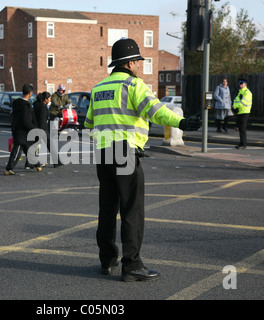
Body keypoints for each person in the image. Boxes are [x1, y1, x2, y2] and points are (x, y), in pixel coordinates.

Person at [84, 38, 201, 282]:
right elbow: (155, 110)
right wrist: (182, 122)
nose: (140, 64)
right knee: (131, 210)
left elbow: (88, 124)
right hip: (125, 152)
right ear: (128, 63)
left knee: (107, 210)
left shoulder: (98, 88)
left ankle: (107, 260)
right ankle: (132, 265)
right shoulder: (133, 85)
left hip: (103, 153)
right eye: (138, 60)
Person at [4, 84, 42, 175]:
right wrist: (33, 129)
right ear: (30, 93)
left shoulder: (16, 103)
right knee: (17, 151)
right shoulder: (26, 106)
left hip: (17, 129)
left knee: (28, 149)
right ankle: (8, 169)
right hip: (23, 132)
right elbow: (26, 121)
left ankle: (37, 165)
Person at [233, 79, 252, 149]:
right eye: (240, 84)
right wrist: (235, 106)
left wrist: (235, 106)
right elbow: (235, 101)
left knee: (242, 129)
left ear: (245, 84)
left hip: (245, 112)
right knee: (240, 128)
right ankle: (241, 143)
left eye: (242, 84)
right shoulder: (240, 92)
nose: (241, 85)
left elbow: (243, 103)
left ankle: (243, 144)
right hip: (240, 112)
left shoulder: (247, 93)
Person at [33, 92, 51, 165]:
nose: (50, 99)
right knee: (39, 146)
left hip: (38, 128)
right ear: (45, 99)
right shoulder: (43, 107)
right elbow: (42, 120)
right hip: (42, 129)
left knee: (37, 146)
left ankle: (29, 163)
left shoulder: (37, 105)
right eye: (49, 98)